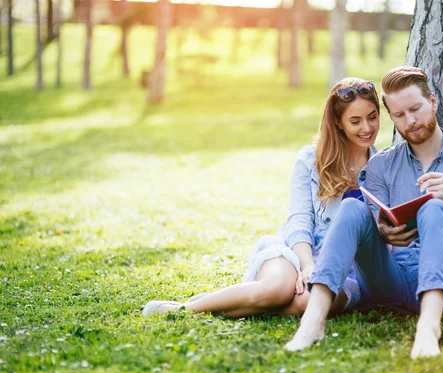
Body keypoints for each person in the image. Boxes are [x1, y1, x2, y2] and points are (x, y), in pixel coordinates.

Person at [285, 66, 443, 359]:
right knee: (352, 206)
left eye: (415, 109)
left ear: (432, 102)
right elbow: (374, 224)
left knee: (434, 206)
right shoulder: (381, 164)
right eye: (399, 115)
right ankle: (312, 321)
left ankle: (428, 328)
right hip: (392, 279)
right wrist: (383, 231)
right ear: (391, 118)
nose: (410, 120)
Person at [142, 78, 381, 318]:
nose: (367, 128)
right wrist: (307, 266)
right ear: (338, 123)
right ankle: (183, 309)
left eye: (372, 117)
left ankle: (216, 304)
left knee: (306, 301)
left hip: (345, 271)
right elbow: (299, 220)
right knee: (277, 288)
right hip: (299, 252)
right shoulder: (311, 159)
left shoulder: (383, 166)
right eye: (355, 121)